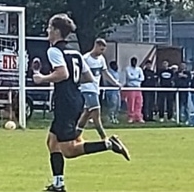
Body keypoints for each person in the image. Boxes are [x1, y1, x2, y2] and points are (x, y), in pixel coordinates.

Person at [33, 14, 129, 192]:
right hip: (75, 98)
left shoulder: (54, 51)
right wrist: (72, 83)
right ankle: (58, 184)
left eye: (49, 28)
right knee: (52, 142)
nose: (47, 31)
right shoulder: (75, 53)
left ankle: (108, 144)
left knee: (68, 150)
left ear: (56, 31)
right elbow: (88, 77)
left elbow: (62, 74)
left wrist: (42, 78)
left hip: (65, 101)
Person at [77, 38, 119, 140]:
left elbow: (105, 73)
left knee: (87, 113)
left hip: (95, 89)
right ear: (96, 46)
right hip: (87, 89)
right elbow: (79, 73)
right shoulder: (86, 58)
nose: (102, 52)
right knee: (96, 112)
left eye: (103, 50)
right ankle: (103, 137)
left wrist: (115, 83)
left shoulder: (101, 59)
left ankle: (75, 134)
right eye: (101, 49)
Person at [122, 57, 144, 123]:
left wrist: (135, 78)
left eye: (135, 61)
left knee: (139, 102)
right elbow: (129, 77)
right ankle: (131, 117)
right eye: (133, 61)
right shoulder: (127, 69)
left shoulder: (139, 69)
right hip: (131, 87)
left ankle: (138, 117)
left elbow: (142, 78)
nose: (134, 63)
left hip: (138, 88)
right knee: (131, 103)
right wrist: (137, 78)